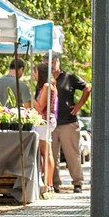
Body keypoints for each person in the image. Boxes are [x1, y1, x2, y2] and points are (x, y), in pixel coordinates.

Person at [49, 55, 90, 194]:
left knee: (72, 154)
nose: (52, 63)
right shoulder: (45, 79)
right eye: (49, 61)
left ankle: (77, 183)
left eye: (54, 61)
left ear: (59, 62)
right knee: (51, 155)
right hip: (51, 123)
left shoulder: (69, 77)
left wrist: (79, 105)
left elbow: (87, 88)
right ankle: (54, 184)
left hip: (69, 122)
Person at [32, 63, 57, 193]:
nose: (34, 76)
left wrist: (29, 98)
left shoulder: (47, 86)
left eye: (35, 73)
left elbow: (40, 106)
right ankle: (48, 183)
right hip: (46, 121)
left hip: (44, 122)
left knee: (45, 152)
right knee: (46, 152)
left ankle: (48, 184)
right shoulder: (50, 86)